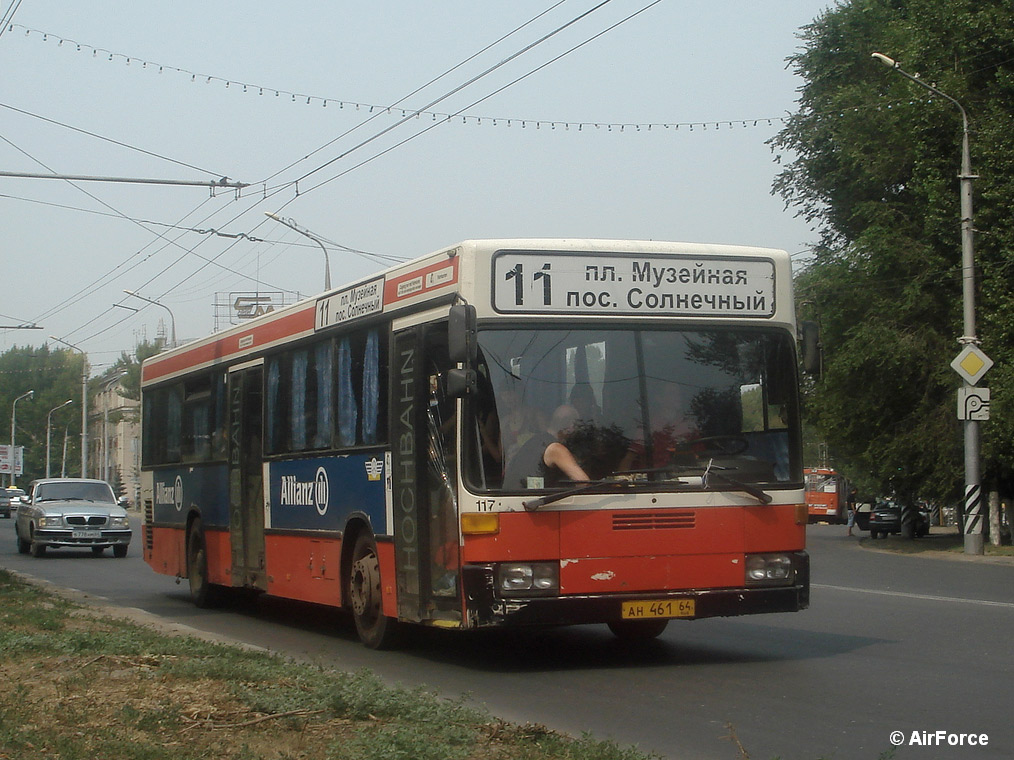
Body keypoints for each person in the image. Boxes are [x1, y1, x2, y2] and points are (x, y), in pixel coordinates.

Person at [503, 404, 590, 489]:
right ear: (570, 426)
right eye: (577, 427)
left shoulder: (534, 441)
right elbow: (584, 484)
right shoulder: (555, 449)